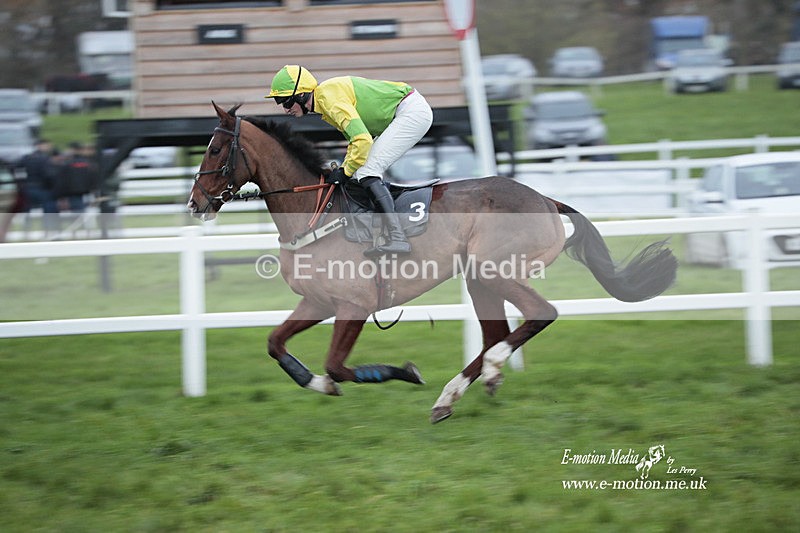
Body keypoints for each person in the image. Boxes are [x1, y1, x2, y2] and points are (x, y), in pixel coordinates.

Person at [266, 65, 433, 257]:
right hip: (404, 111)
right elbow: (357, 144)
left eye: (285, 102)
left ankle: (398, 237)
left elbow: (362, 139)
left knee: (367, 171)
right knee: (360, 171)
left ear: (302, 95)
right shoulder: (324, 102)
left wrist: (345, 171)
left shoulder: (328, 99)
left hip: (411, 112)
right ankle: (381, 229)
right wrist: (346, 168)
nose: (285, 109)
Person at [20, 138, 59, 236]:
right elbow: (49, 175)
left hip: (28, 187)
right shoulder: (45, 158)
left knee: (27, 210)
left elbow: (17, 169)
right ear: (41, 145)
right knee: (49, 209)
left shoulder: (27, 157)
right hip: (43, 188)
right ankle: (49, 230)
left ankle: (26, 230)